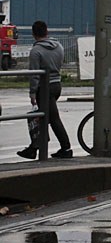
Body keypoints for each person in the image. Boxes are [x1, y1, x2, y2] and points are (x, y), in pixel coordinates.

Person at [17, 21, 72, 159]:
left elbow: (35, 74)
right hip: (57, 85)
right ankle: (35, 147)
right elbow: (60, 63)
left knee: (52, 118)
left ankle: (65, 148)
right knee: (43, 117)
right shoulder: (58, 46)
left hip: (44, 87)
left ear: (33, 34)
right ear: (47, 31)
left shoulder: (36, 51)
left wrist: (32, 92)